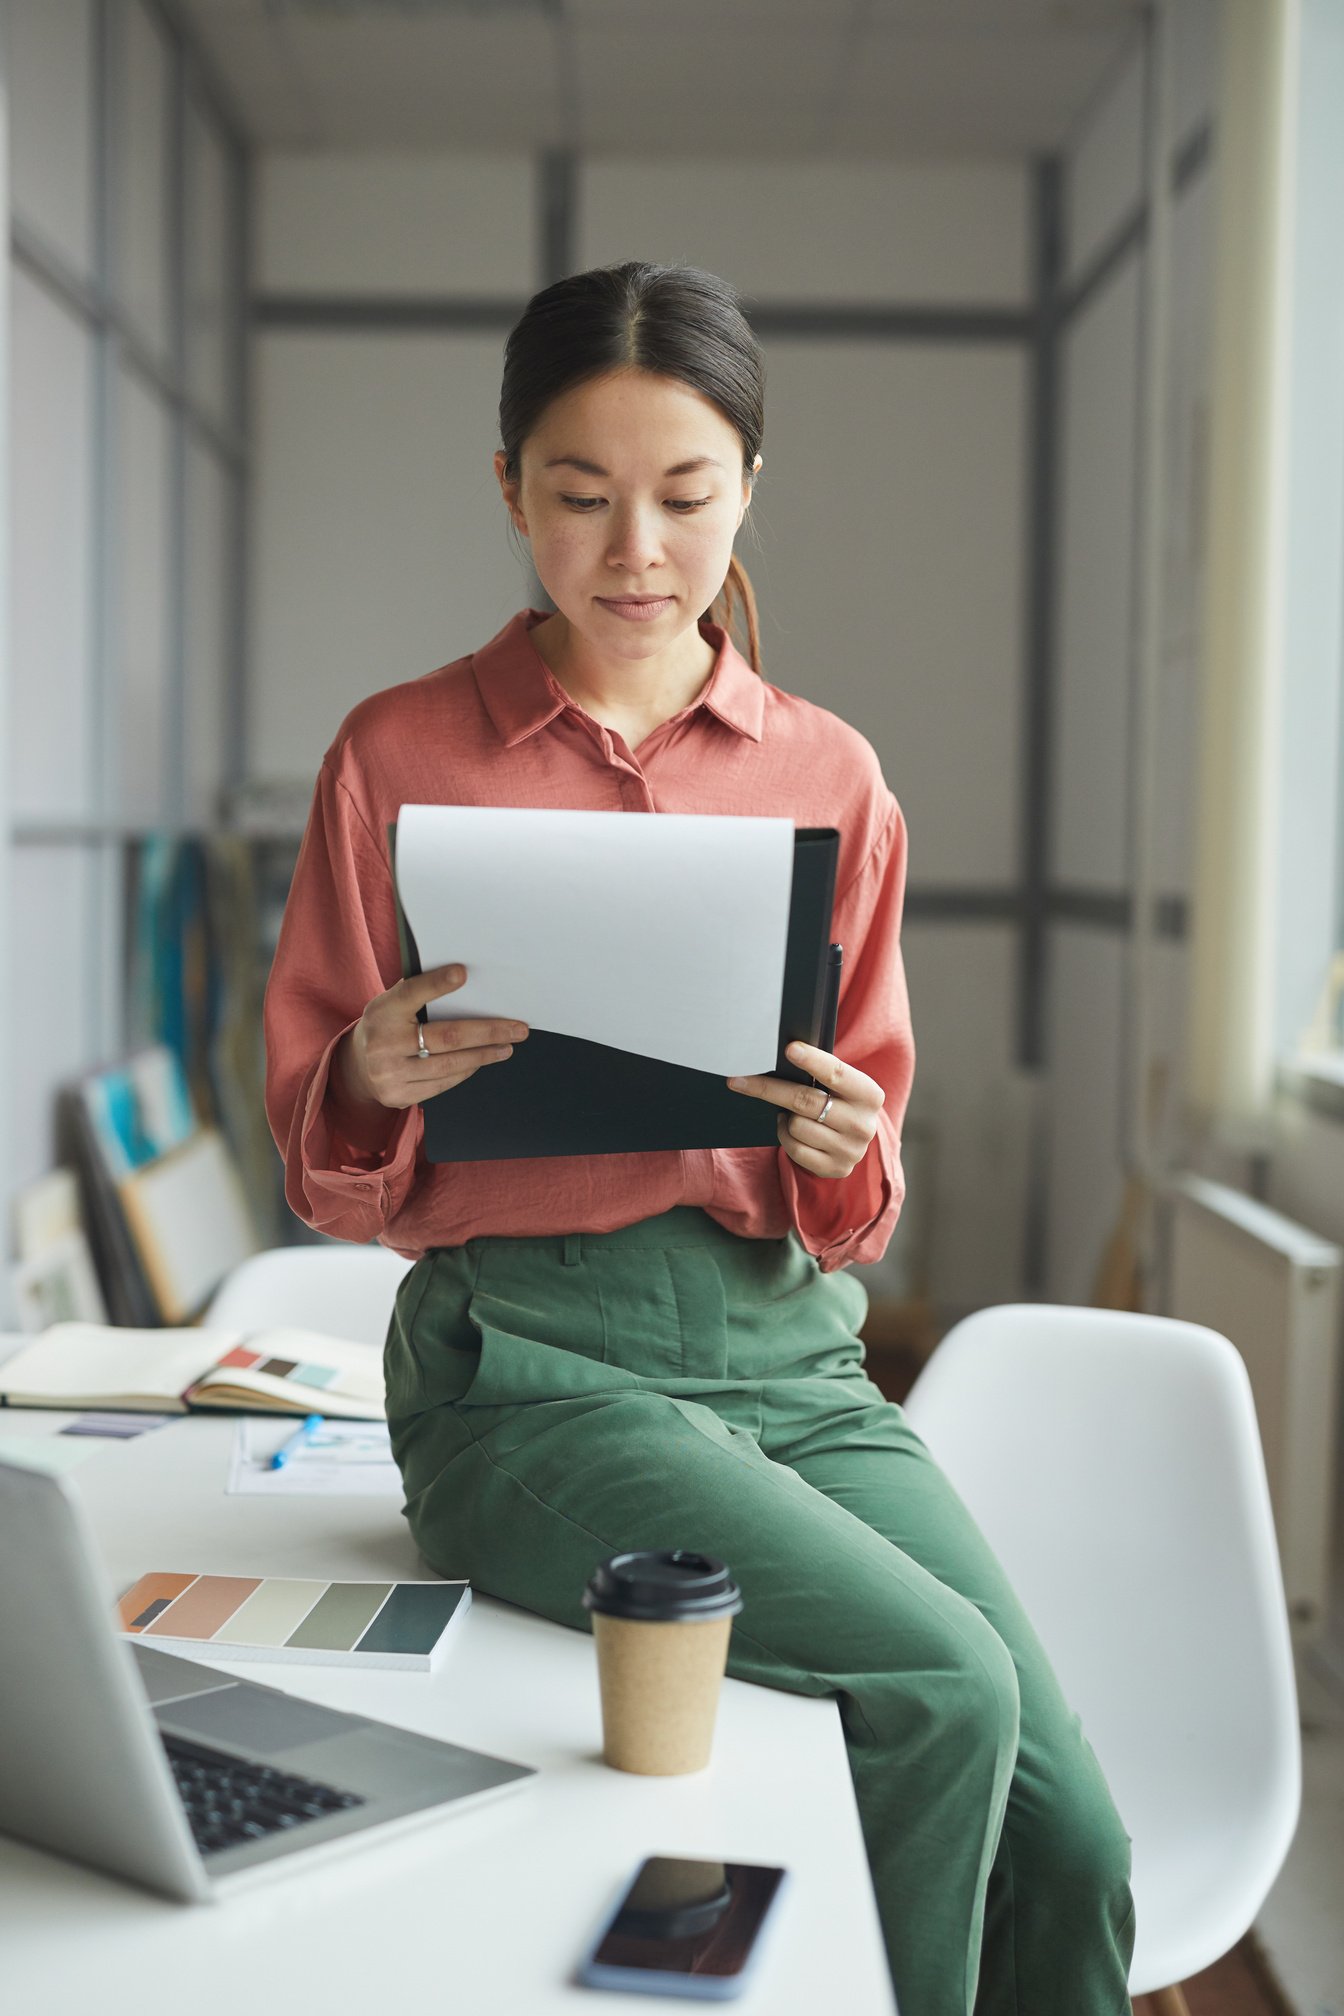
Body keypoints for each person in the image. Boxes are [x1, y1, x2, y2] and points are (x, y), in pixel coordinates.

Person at [263, 259, 1136, 2016]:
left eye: (683, 495)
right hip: (524, 1371)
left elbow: (861, 1205)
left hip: (791, 1367)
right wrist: (367, 1071)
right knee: (943, 1689)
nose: (635, 549)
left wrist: (840, 1141)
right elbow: (320, 1160)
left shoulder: (833, 774)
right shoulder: (396, 755)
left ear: (749, 487)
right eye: (580, 498)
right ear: (510, 491)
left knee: (1081, 1847)